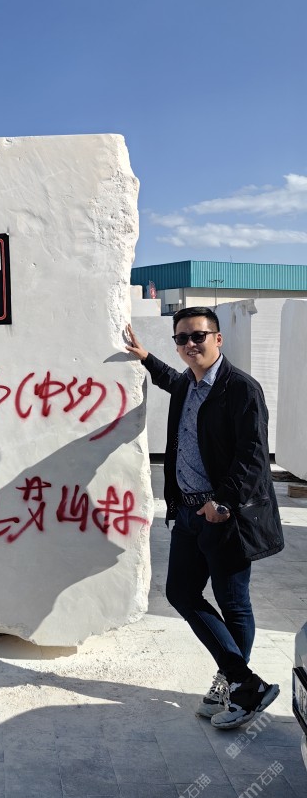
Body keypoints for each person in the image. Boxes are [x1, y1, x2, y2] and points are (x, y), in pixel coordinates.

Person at [125, 307, 283, 730]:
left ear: (218, 339)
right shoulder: (187, 385)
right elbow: (169, 378)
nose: (190, 344)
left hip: (224, 517)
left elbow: (253, 457)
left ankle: (237, 686)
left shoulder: (241, 389)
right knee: (180, 592)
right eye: (182, 339)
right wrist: (145, 357)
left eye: (198, 336)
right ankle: (242, 681)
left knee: (233, 603)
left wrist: (222, 503)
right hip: (188, 513)